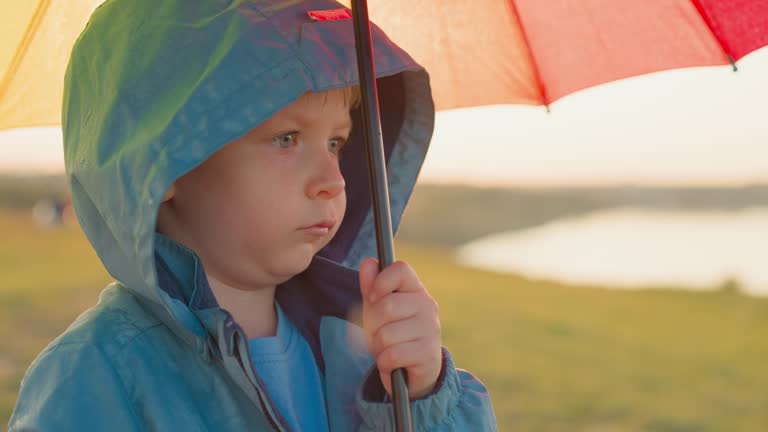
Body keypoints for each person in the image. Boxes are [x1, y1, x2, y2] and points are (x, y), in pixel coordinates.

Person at [9, 0, 496, 430]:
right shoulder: (95, 376)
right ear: (166, 164)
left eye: (337, 143)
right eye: (286, 139)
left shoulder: (359, 345)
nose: (333, 178)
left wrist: (425, 393)